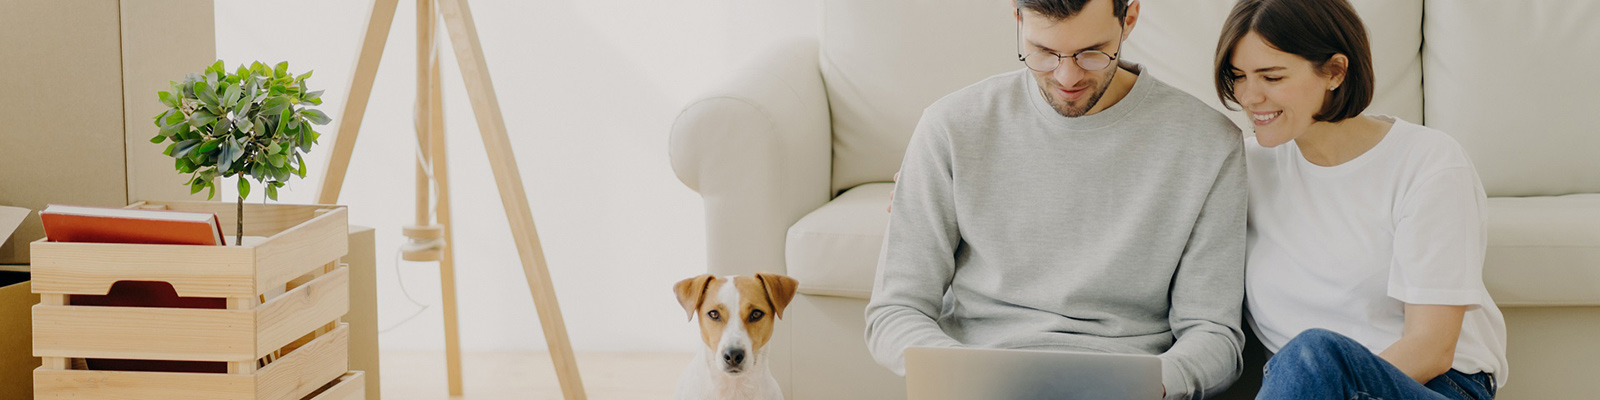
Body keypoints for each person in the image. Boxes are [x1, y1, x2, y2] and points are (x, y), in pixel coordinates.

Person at [864, 0, 1248, 397]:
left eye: (1091, 53)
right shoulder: (950, 127)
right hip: (979, 379)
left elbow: (1213, 332)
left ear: (1129, 20)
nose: (1067, 76)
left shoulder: (1208, 144)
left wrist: (1160, 384)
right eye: (1044, 52)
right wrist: (962, 375)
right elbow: (896, 310)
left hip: (1130, 384)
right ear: (1017, 20)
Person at [1213, 0, 1508, 398]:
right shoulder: (1245, 166)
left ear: (1335, 71)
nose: (1249, 97)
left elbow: (1432, 348)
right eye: (1239, 77)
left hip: (1435, 385)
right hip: (1299, 387)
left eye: (1271, 77)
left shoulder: (1428, 162)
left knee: (1314, 353)